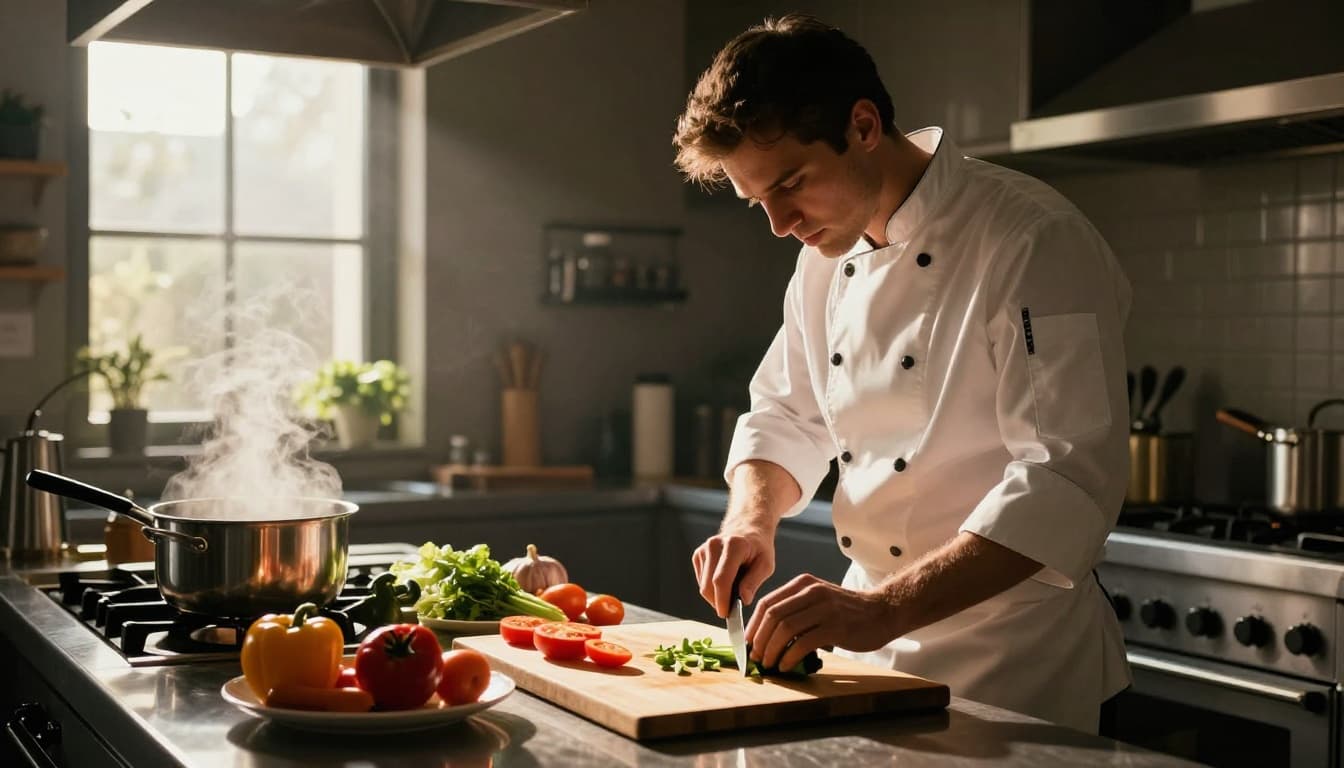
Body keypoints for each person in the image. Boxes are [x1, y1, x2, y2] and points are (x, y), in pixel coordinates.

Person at [673, 14, 1131, 734]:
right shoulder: (823, 255)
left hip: (1014, 666)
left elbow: (1066, 477)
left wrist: (882, 610)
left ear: (862, 126)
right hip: (869, 650)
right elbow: (787, 414)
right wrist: (750, 521)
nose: (780, 224)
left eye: (791, 184)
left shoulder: (1033, 238)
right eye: (757, 201)